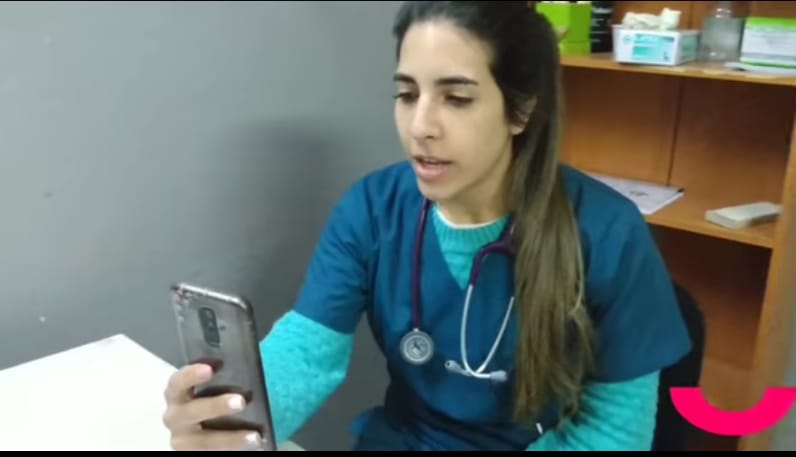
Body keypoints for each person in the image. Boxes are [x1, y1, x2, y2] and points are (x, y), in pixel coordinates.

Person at [161, 1, 692, 451]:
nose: (420, 127)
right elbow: (307, 351)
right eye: (407, 94)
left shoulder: (607, 233)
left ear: (520, 111)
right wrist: (235, 417)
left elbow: (612, 433)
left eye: (456, 98)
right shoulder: (372, 209)